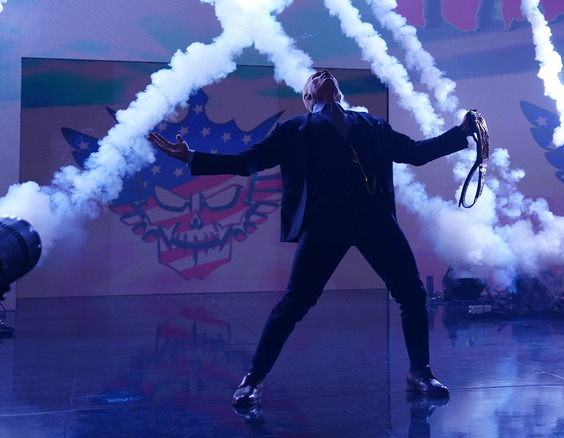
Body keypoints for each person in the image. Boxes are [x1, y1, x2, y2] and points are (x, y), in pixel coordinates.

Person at [149, 69, 475, 407]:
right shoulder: (293, 130)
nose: (325, 74)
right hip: (324, 222)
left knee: (412, 293)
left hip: (374, 218)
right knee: (295, 303)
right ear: (308, 98)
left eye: (328, 74)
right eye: (315, 77)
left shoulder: (372, 124)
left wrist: (461, 133)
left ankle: (419, 372)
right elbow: (248, 163)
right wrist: (190, 157)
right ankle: (254, 379)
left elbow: (416, 153)